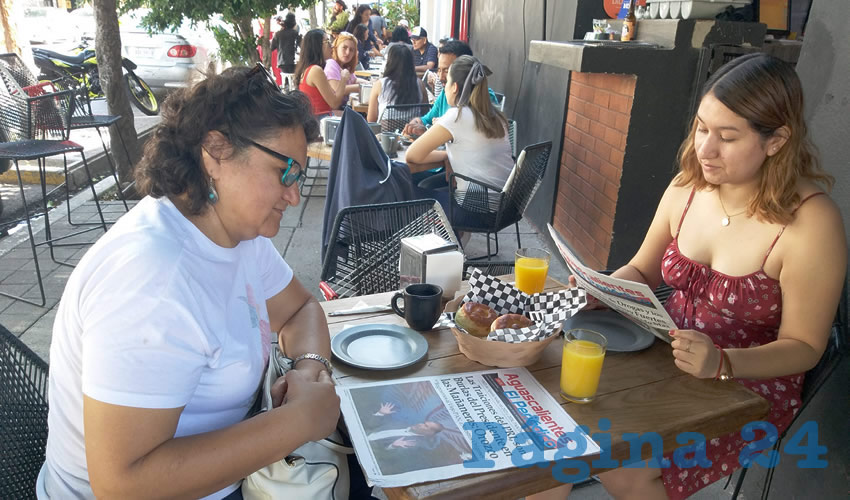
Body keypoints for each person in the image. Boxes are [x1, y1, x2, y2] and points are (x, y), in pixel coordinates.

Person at [531, 53, 846, 500]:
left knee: (624, 467)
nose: (705, 149)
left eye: (728, 137)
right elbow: (641, 268)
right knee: (554, 425)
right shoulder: (687, 186)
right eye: (701, 128)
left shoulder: (811, 223)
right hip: (663, 353)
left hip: (747, 387)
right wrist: (601, 290)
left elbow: (806, 348)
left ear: (776, 140)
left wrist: (723, 361)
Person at [41, 65, 341, 499]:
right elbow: (122, 483)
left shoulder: (236, 233)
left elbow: (300, 309)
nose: (294, 195)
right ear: (215, 151)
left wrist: (309, 370)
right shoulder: (152, 279)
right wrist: (296, 422)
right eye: (285, 171)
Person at [406, 55, 512, 196]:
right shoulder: (496, 115)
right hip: (504, 204)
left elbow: (412, 156)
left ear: (454, 87)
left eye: (448, 80)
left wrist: (446, 155)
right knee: (426, 186)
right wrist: (448, 156)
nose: (445, 87)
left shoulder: (457, 116)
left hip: (473, 206)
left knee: (406, 190)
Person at [402, 41, 500, 140]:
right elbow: (426, 119)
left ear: (465, 68)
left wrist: (437, 128)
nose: (440, 77)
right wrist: (415, 124)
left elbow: (476, 138)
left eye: (446, 71)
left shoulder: (483, 96)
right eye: (439, 70)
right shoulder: (445, 94)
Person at [366, 43, 428, 123]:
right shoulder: (420, 84)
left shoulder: (380, 85)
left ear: (390, 62)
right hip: (412, 133)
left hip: (385, 134)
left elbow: (371, 119)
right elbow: (425, 113)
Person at [295, 29, 350, 116]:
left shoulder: (309, 69)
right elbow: (334, 103)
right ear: (317, 46)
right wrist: (343, 79)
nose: (331, 46)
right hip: (320, 123)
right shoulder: (315, 70)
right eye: (327, 42)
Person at [324, 31, 364, 109]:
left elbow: (354, 80)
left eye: (351, 50)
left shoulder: (344, 66)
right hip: (330, 112)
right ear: (336, 47)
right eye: (344, 48)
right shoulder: (331, 64)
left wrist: (371, 83)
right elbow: (337, 89)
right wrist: (362, 87)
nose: (348, 52)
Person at [271, 13, 301, 91]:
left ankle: (286, 87)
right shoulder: (295, 33)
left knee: (286, 78)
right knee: (297, 76)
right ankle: (294, 90)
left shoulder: (278, 34)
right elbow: (302, 46)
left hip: (281, 63)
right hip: (293, 62)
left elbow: (271, 47)